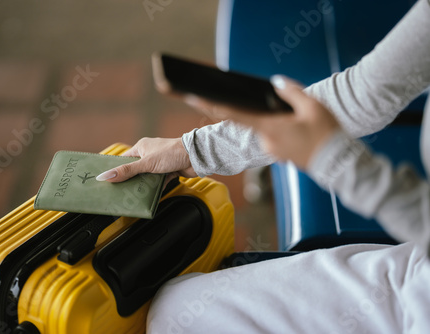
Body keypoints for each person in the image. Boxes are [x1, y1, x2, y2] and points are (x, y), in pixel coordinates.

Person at [96, 0, 430, 332]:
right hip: (416, 275)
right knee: (174, 314)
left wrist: (331, 158)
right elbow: (363, 93)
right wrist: (191, 150)